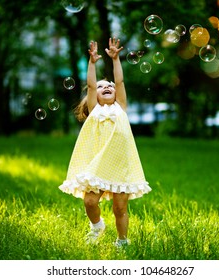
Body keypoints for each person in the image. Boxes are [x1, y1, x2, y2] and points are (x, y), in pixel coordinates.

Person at [59, 37, 151, 247]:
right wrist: (92, 63)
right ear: (95, 96)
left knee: (120, 208)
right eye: (102, 87)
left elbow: (119, 81)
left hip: (120, 165)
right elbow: (91, 85)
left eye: (110, 86)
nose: (108, 87)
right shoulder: (95, 110)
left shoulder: (121, 107)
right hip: (98, 165)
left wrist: (115, 59)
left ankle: (122, 241)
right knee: (90, 201)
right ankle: (97, 225)